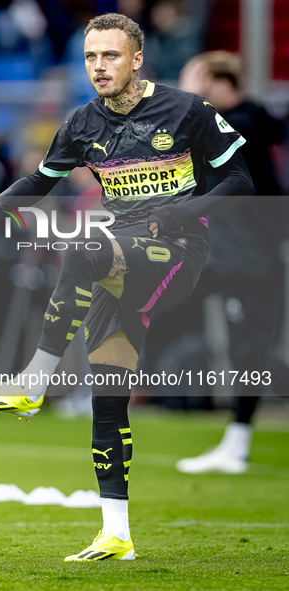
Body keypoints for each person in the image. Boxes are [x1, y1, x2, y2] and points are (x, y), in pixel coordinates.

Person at [0, 12, 253, 561]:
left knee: (84, 246)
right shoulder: (82, 123)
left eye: (112, 56)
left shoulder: (187, 110)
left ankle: (32, 382)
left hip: (177, 253)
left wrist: (182, 213)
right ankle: (116, 533)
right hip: (118, 260)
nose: (100, 66)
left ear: (137, 59)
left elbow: (242, 179)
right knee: (107, 401)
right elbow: (42, 180)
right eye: (92, 57)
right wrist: (2, 203)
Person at [174, 51, 289, 474]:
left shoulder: (238, 124)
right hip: (235, 254)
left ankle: (236, 446)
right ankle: (235, 442)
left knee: (252, 350)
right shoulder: (250, 119)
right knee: (250, 349)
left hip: (248, 257)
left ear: (215, 80)